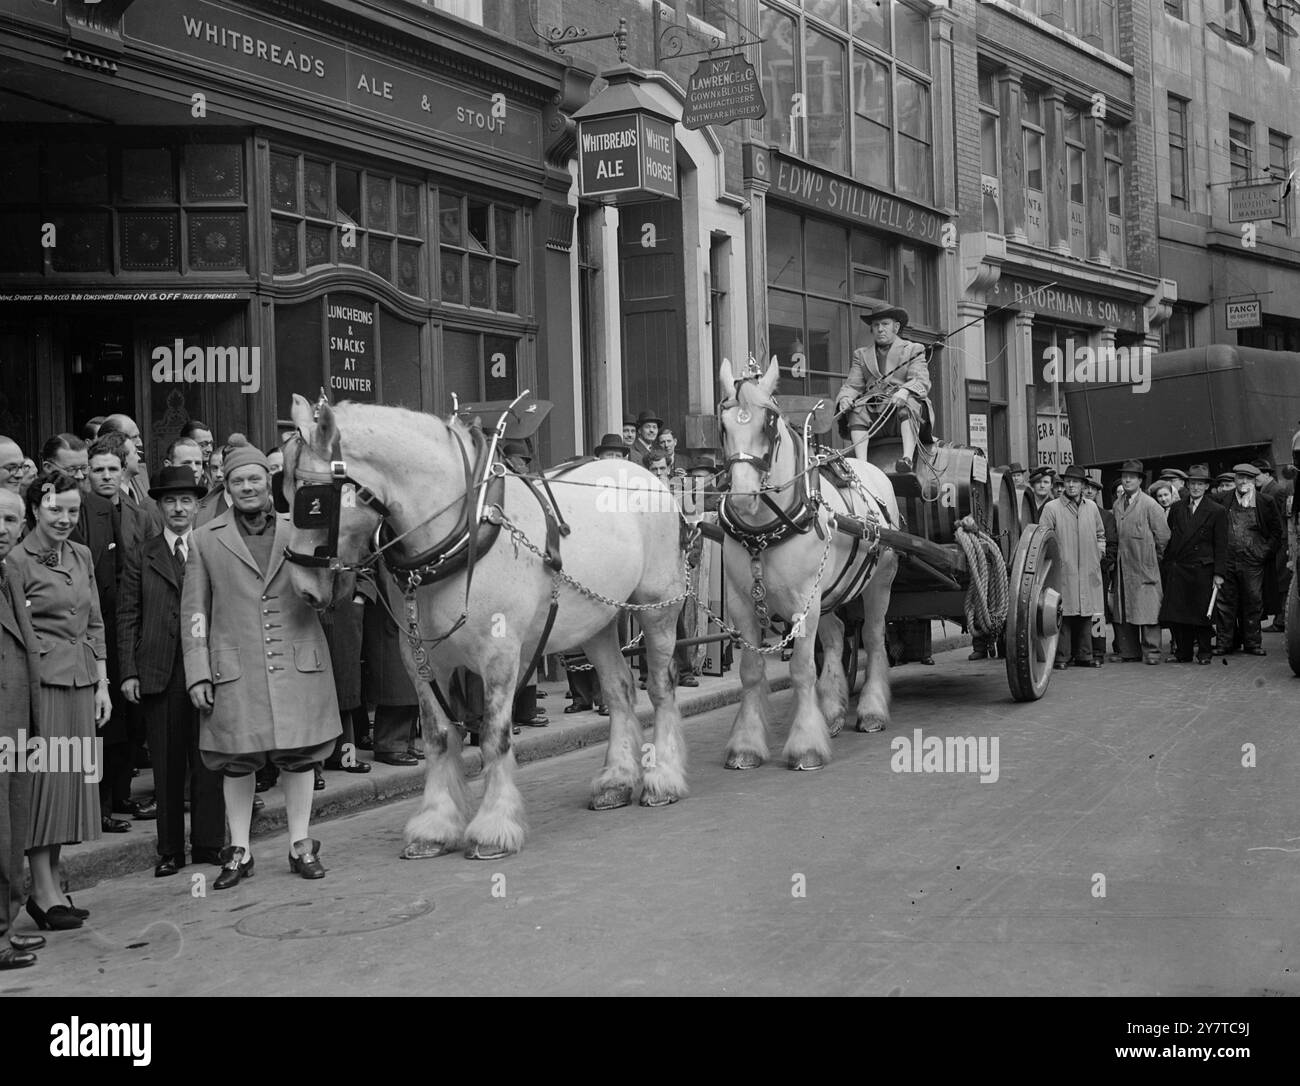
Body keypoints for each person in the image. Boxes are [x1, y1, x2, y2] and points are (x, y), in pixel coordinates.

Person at [182, 436, 341, 888]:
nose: (248, 486)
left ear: (267, 482)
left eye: (255, 477)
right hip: (235, 668)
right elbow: (195, 613)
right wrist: (197, 671)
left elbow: (331, 595)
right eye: (238, 480)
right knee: (237, 758)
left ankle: (301, 844)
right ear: (226, 487)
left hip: (297, 661)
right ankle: (240, 850)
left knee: (299, 755)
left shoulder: (301, 530)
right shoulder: (204, 540)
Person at [9, 472, 112, 932]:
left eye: (73, 510)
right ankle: (41, 892)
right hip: (42, 684)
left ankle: (52, 885)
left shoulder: (82, 554)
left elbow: (94, 620)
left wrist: (103, 682)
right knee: (44, 787)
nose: (66, 518)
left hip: (81, 680)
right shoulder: (16, 560)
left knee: (69, 786)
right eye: (56, 509)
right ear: (35, 509)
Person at [118, 467, 227, 878]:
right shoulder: (141, 552)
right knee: (165, 766)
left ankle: (209, 843)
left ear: (198, 506)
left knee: (208, 761)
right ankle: (169, 850)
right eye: (169, 501)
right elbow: (128, 613)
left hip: (206, 670)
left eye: (186, 501)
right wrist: (129, 670)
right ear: (159, 507)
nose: (178, 508)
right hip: (158, 672)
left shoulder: (210, 548)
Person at [42, 435, 134, 829]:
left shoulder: (99, 508)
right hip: (56, 642)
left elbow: (118, 570)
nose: (83, 477)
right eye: (75, 470)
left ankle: (103, 806)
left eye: (86, 468)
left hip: (102, 630)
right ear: (49, 471)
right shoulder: (39, 518)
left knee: (107, 724)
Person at [0, 488, 45, 968]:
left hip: (14, 726)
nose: (3, 528)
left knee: (11, 832)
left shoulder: (10, 571)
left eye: (11, 520)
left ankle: (5, 926)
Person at [835, 305, 932, 471]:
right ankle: (862, 465)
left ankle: (907, 459)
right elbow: (852, 385)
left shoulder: (914, 349)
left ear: (896, 327)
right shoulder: (861, 355)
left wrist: (905, 390)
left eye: (885, 324)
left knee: (908, 403)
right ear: (871, 329)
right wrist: (845, 398)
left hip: (900, 412)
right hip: (875, 415)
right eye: (875, 325)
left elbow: (920, 380)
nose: (880, 329)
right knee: (856, 411)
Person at [1038, 465, 1106, 669]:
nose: (1071, 484)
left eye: (1075, 481)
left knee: (1089, 613)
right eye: (1067, 481)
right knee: (1062, 613)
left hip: (1088, 569)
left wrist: (1098, 553)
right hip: (1063, 570)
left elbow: (1101, 535)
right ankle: (1061, 657)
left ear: (1084, 485)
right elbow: (1042, 538)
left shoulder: (1091, 508)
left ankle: (1086, 655)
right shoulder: (1052, 508)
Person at [1159, 466, 1227, 665]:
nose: (1195, 487)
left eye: (1200, 483)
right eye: (1192, 483)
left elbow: (1222, 545)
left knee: (1201, 612)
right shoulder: (1178, 507)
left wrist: (1219, 573)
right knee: (1180, 613)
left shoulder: (1217, 510)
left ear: (1206, 486)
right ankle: (1184, 652)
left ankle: (1205, 653)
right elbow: (1172, 539)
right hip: (1179, 567)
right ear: (1187, 485)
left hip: (1202, 569)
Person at [1214, 463, 1282, 657]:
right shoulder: (1222, 499)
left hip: (1253, 562)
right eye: (1240, 478)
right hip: (1227, 560)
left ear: (1254, 481)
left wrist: (1264, 552)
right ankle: (1224, 643)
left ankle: (1252, 644)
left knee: (1253, 601)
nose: (1244, 482)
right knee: (1224, 603)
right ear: (1234, 479)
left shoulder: (1265, 501)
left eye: (1248, 478)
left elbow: (1277, 532)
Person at [1110, 459, 1170, 665]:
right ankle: (1129, 651)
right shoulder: (1118, 504)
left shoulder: (1150, 505)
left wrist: (1153, 559)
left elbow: (1163, 537)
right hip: (1123, 565)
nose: (1127, 480)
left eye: (1132, 477)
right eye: (1124, 477)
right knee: (1125, 608)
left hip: (1145, 564)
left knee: (1149, 609)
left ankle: (1152, 652)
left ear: (1140, 481)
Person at [1083, 471, 1118, 664]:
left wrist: (1102, 564)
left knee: (1098, 612)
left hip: (1098, 572)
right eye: (1086, 487)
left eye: (1093, 488)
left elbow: (1111, 544)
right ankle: (1082, 648)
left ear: (1097, 492)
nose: (1089, 491)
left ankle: (1098, 649)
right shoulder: (1076, 511)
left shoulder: (1106, 516)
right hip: (1078, 571)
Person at [179, 420, 215, 487]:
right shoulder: (179, 472)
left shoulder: (215, 471)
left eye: (211, 444)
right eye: (203, 445)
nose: (210, 450)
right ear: (187, 444)